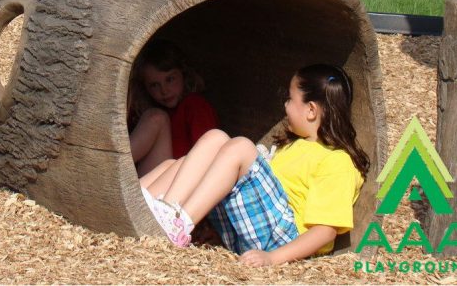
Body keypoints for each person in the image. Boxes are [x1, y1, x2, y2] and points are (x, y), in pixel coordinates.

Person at [140, 64, 371, 267]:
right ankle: (144, 208)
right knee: (193, 154)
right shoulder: (294, 146)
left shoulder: (336, 161)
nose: (286, 106)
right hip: (256, 230)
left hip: (283, 240)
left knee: (239, 146)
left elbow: (324, 231)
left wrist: (274, 258)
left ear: (311, 110)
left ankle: (177, 223)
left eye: (290, 99)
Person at [128, 39, 219, 176]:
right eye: (154, 85)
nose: (164, 91)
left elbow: (211, 158)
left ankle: (104, 167)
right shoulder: (147, 114)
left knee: (156, 118)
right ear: (145, 88)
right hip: (151, 182)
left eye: (170, 79)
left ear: (183, 74)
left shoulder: (194, 106)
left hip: (182, 183)